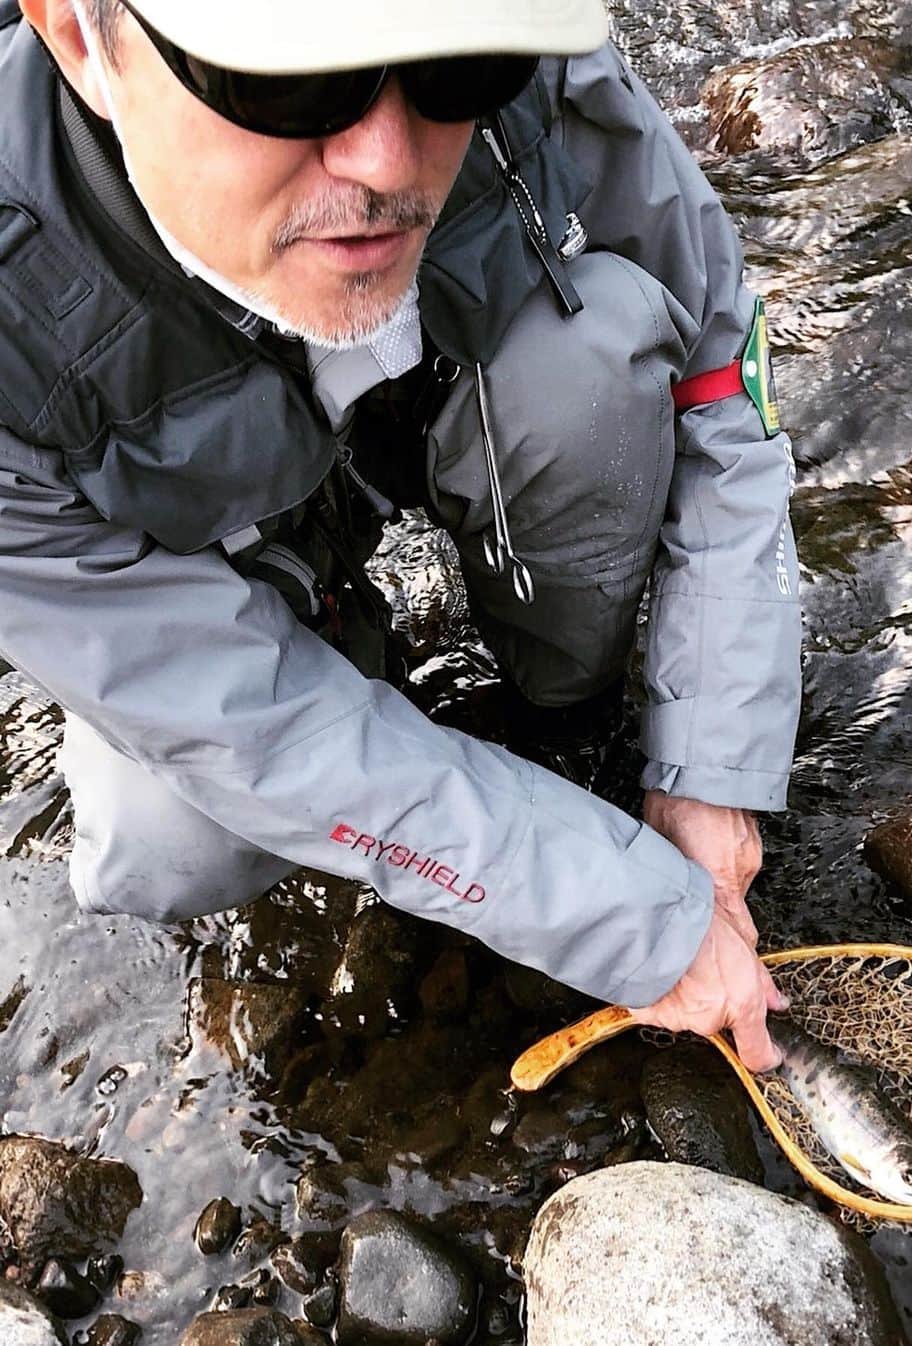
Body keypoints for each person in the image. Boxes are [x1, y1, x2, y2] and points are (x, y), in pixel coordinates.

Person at [0, 0, 800, 1071]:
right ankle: (342, 645)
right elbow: (258, 729)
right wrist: (626, 912)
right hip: (221, 545)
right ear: (78, 38)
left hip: (442, 392)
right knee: (169, 834)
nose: (384, 158)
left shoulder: (535, 59)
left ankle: (565, 698)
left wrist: (715, 758)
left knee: (597, 357)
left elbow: (718, 368)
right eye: (283, 84)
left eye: (449, 65)